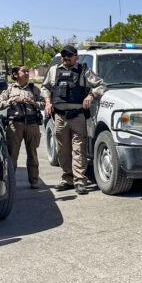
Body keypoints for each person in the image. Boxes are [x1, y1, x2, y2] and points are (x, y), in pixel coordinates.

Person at [41, 45, 105, 195]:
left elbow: (101, 84)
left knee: (78, 149)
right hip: (59, 116)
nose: (66, 57)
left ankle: (80, 181)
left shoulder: (83, 71)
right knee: (62, 150)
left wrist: (91, 95)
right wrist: (48, 102)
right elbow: (45, 88)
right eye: (64, 55)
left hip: (77, 116)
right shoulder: (54, 70)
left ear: (76, 57)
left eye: (69, 55)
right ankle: (67, 179)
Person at [0, 66, 45, 189]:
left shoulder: (33, 89)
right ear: (16, 74)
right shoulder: (9, 89)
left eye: (28, 71)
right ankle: (10, 183)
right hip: (15, 125)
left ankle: (34, 181)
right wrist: (12, 101)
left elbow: (43, 104)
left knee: (32, 153)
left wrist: (33, 103)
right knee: (12, 154)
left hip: (32, 124)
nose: (27, 73)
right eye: (24, 71)